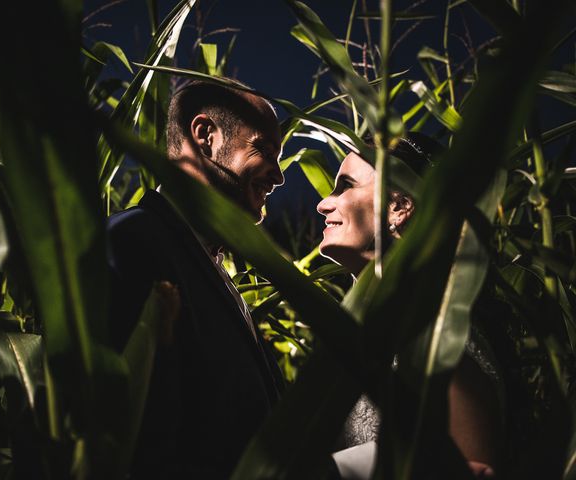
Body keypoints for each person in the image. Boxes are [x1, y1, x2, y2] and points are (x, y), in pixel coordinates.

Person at [106, 80, 286, 478]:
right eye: (264, 150)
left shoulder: (206, 263)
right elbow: (133, 431)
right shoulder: (134, 241)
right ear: (205, 136)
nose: (278, 177)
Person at [316, 134, 502, 479]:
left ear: (399, 206)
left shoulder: (439, 338)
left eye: (344, 186)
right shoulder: (355, 337)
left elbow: (466, 464)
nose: (323, 204)